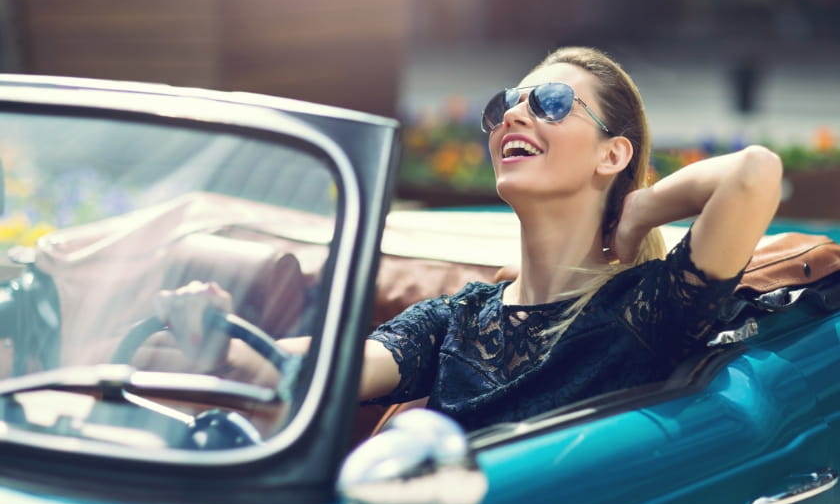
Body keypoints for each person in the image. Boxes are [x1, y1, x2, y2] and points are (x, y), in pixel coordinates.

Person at [152, 46, 783, 433]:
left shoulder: (645, 309)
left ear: (612, 152)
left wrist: (640, 208)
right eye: (506, 104)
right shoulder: (459, 319)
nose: (512, 114)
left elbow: (754, 173)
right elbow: (318, 366)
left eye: (551, 102)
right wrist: (214, 333)